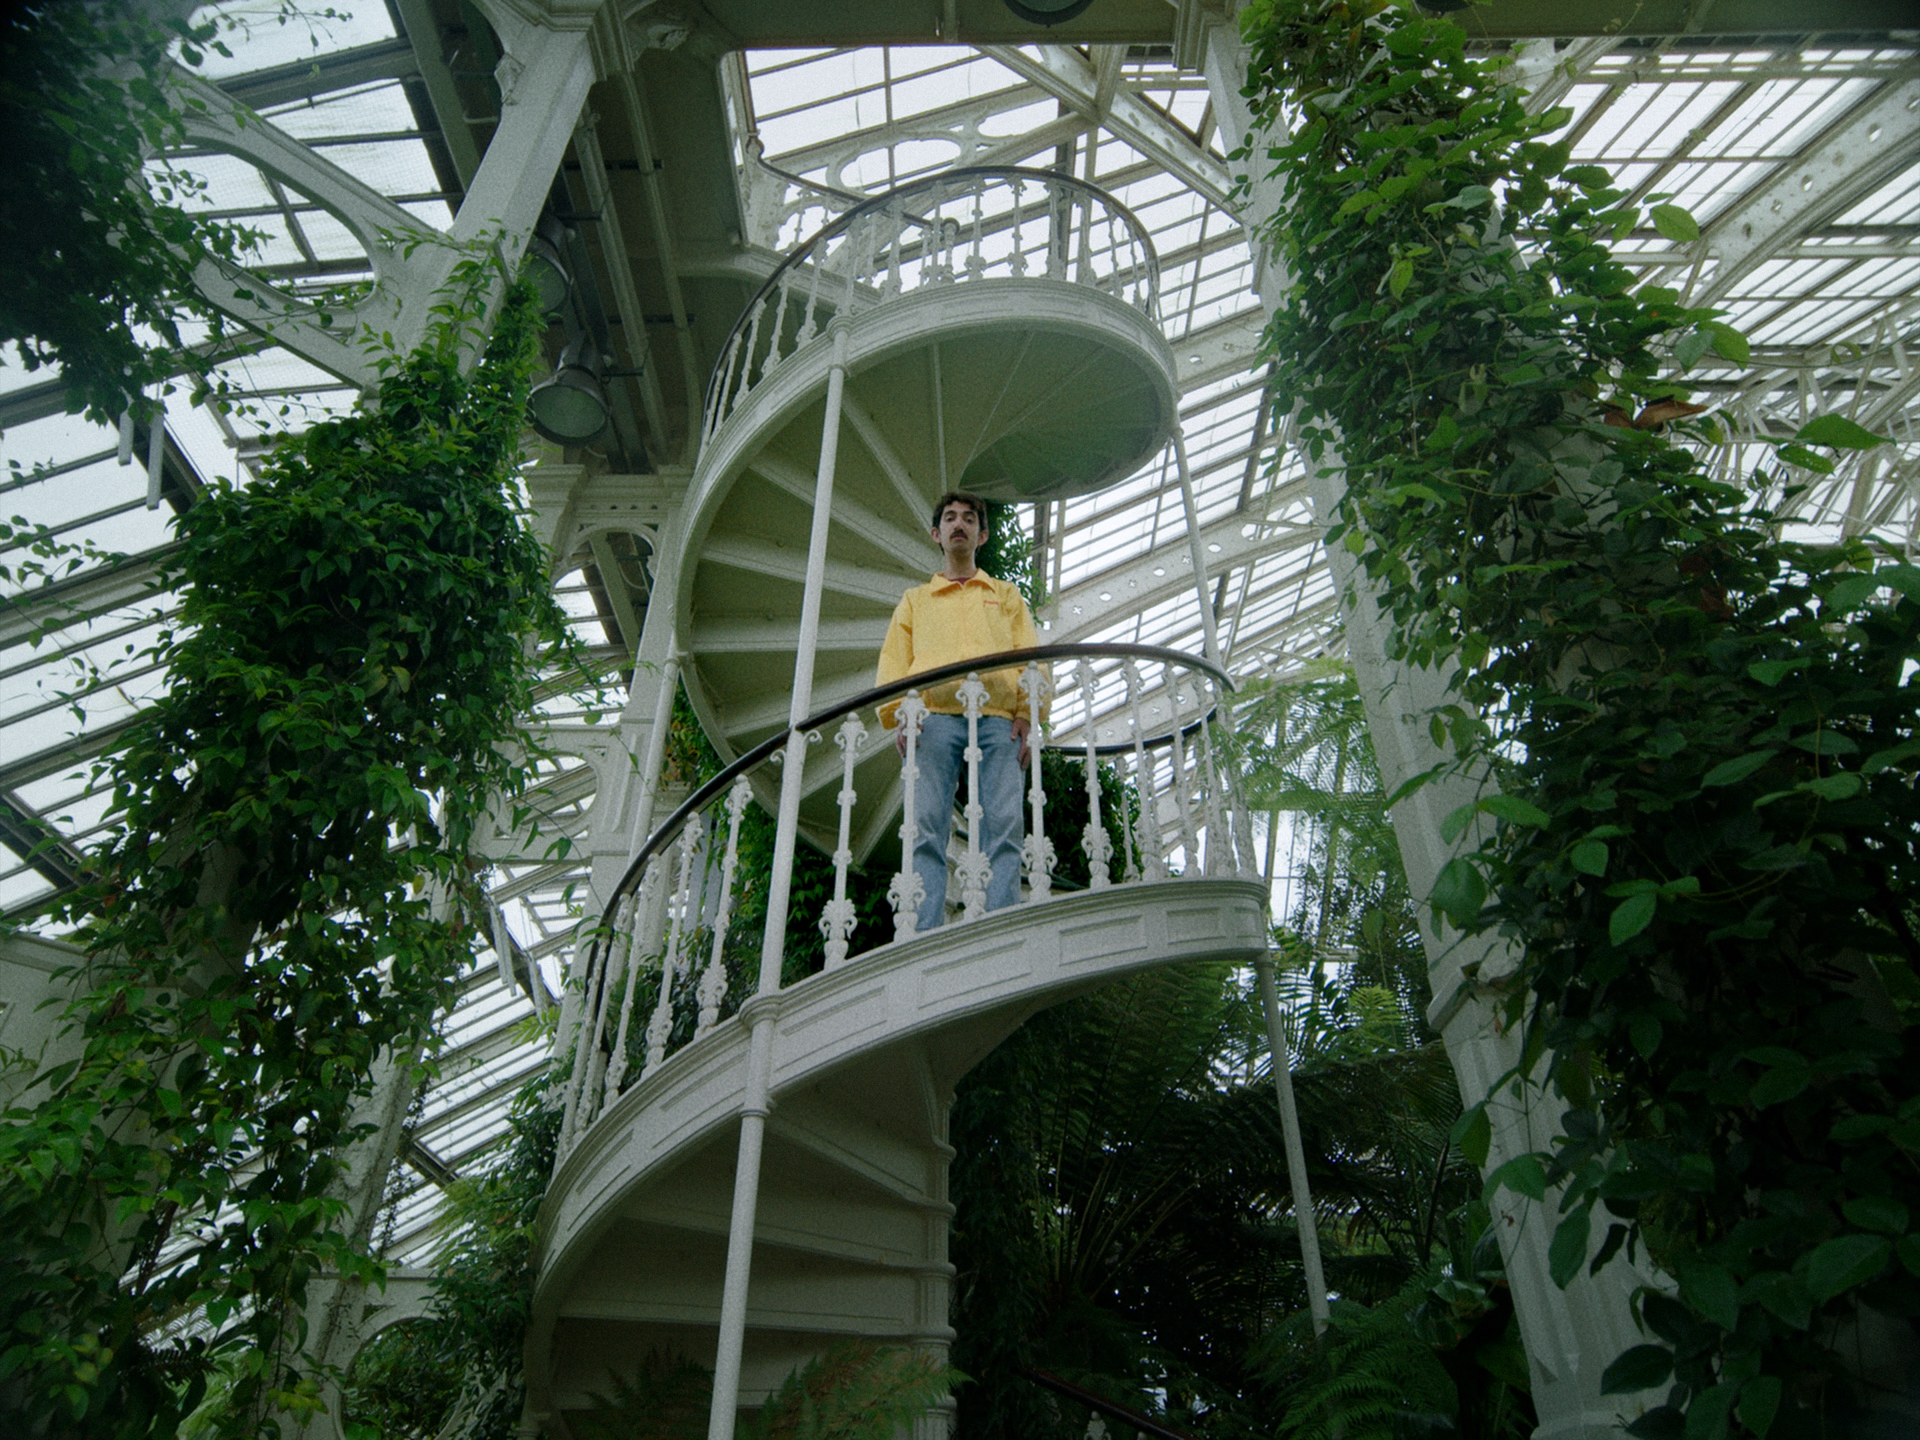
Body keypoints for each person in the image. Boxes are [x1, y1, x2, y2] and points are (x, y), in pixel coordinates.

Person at [876, 491, 1044, 933]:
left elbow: (1030, 656)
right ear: (937, 533)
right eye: (950, 518)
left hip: (1000, 719)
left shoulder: (1004, 595)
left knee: (1004, 823)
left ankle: (1000, 924)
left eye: (969, 519)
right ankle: (923, 932)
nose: (959, 524)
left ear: (981, 535)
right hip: (934, 717)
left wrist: (1028, 712)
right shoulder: (916, 600)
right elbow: (894, 661)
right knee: (925, 826)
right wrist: (901, 712)